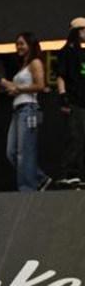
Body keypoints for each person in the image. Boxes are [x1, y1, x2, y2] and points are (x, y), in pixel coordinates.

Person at [1, 32, 47, 192]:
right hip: (18, 111)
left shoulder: (35, 62)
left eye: (22, 43)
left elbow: (40, 85)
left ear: (30, 45)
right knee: (11, 152)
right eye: (17, 44)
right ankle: (40, 179)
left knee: (24, 151)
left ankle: (27, 189)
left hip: (28, 109)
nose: (18, 47)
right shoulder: (24, 65)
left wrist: (18, 90)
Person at [56, 17, 85, 187]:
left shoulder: (83, 52)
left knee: (81, 138)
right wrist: (63, 97)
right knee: (75, 137)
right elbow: (61, 75)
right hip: (74, 100)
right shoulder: (66, 51)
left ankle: (78, 173)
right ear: (77, 31)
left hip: (83, 100)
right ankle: (70, 173)